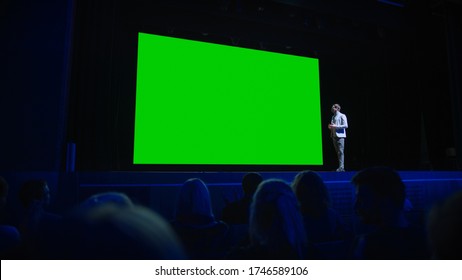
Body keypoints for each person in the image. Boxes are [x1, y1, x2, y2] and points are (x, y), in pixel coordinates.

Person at [350, 166, 430, 259]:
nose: (356, 206)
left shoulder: (365, 244)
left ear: (385, 200)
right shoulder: (427, 239)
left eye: (362, 199)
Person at [328, 104, 348, 172]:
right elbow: (333, 126)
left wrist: (335, 126)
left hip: (340, 136)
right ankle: (340, 166)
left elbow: (346, 125)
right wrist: (331, 127)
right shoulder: (333, 116)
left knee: (341, 151)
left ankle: (342, 167)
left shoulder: (342, 115)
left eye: (333, 107)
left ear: (337, 108)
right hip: (334, 135)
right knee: (338, 152)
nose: (332, 108)